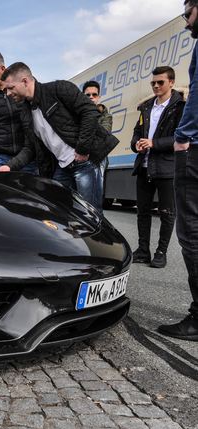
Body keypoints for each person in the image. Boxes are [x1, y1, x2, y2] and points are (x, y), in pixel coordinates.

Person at [0, 62, 119, 214]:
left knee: (91, 215)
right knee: (60, 212)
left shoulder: (59, 89)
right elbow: (30, 148)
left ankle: (97, 239)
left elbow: (89, 112)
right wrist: (9, 166)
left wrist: (82, 149)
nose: (7, 93)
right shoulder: (25, 111)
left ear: (25, 81)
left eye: (10, 88)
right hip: (63, 167)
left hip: (85, 162)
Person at [157, 0, 198, 341]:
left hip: (195, 151)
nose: (186, 23)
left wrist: (183, 137)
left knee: (193, 233)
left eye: (188, 13)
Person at [131, 66, 184, 269]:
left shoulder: (180, 107)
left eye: (160, 82)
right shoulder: (146, 107)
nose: (155, 86)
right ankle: (143, 250)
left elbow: (180, 138)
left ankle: (161, 252)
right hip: (144, 166)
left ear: (171, 82)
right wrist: (136, 144)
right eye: (153, 82)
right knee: (142, 211)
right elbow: (137, 132)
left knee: (167, 212)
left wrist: (154, 143)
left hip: (167, 167)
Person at [83, 80, 113, 184]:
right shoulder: (77, 115)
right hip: (80, 158)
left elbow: (103, 135)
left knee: (94, 196)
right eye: (87, 95)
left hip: (97, 159)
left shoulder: (106, 116)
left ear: (98, 97)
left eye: (94, 95)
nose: (91, 97)